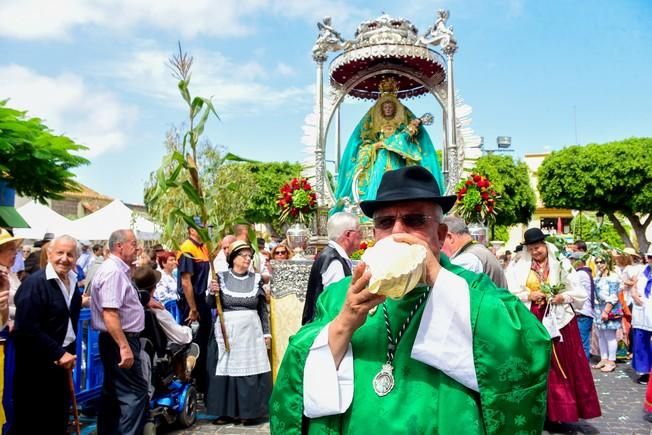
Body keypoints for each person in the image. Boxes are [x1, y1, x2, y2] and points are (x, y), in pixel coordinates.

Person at [271, 166, 551, 434]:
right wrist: (343, 324)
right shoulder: (342, 294)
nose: (398, 232)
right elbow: (294, 373)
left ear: (440, 235)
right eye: (385, 222)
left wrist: (436, 277)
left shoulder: (470, 288)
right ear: (375, 233)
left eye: (414, 220)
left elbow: (527, 346)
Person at [506, 227, 601, 427]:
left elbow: (578, 292)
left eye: (538, 247)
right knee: (537, 365)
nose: (535, 252)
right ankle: (539, 412)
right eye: (531, 249)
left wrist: (562, 297)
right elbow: (509, 291)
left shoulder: (561, 264)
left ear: (545, 245)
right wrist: (528, 295)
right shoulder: (519, 266)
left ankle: (563, 411)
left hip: (560, 321)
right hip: (532, 320)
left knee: (563, 365)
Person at [332, 77, 443, 213]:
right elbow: (364, 141)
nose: (388, 109)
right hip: (381, 157)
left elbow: (405, 139)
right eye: (385, 107)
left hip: (397, 157)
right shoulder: (374, 124)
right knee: (378, 182)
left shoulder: (402, 126)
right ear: (381, 109)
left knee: (399, 184)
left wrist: (410, 129)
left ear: (396, 109)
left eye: (391, 107)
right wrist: (375, 146)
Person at [12, 235, 82, 434]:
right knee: (33, 422)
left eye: (70, 254)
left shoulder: (72, 281)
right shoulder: (35, 283)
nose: (64, 258)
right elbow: (26, 327)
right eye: (60, 253)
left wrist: (66, 353)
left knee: (57, 420)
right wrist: (57, 353)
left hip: (63, 361)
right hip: (37, 366)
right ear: (49, 254)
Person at [206, 241, 271, 425]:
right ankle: (225, 412)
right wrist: (213, 293)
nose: (248, 259)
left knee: (249, 369)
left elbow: (262, 309)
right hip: (227, 329)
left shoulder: (256, 279)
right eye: (244, 255)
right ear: (233, 258)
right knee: (226, 369)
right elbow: (210, 304)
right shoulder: (220, 277)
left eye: (250, 256)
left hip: (250, 332)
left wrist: (267, 333)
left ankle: (248, 412)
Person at [90, 229, 148, 435]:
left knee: (113, 394)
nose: (138, 248)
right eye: (133, 243)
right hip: (120, 340)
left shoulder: (119, 270)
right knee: (135, 394)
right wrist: (124, 346)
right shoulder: (113, 272)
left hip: (119, 339)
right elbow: (110, 313)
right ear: (119, 246)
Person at [302, 212, 361, 325]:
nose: (361, 236)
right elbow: (336, 305)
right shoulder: (334, 261)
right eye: (359, 232)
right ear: (348, 234)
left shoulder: (331, 255)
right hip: (324, 328)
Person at [177, 220, 212, 395]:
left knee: (203, 342)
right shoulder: (187, 249)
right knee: (193, 343)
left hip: (202, 300)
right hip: (192, 302)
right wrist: (192, 308)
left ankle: (202, 383)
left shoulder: (203, 247)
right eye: (200, 227)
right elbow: (186, 281)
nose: (204, 230)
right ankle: (189, 381)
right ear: (191, 229)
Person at [441, 215, 508, 288]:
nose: (438, 247)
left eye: (439, 240)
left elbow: (450, 290)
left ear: (449, 237)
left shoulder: (467, 259)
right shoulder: (477, 250)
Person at [591, 252, 623, 373]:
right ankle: (603, 358)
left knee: (610, 335)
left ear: (607, 262)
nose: (599, 264)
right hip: (599, 308)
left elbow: (614, 296)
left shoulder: (613, 277)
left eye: (602, 262)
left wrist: (606, 311)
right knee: (601, 335)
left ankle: (611, 360)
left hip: (609, 308)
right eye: (597, 262)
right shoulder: (598, 276)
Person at [631, 247, 652, 385]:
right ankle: (644, 371)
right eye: (650, 257)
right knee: (641, 342)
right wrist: (633, 293)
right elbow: (634, 286)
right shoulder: (642, 271)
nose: (651, 260)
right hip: (642, 310)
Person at [569, 251, 595, 361]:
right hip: (584, 312)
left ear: (578, 261)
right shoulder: (585, 272)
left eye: (572, 261)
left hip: (583, 312)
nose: (571, 263)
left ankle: (584, 366)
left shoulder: (580, 274)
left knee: (582, 342)